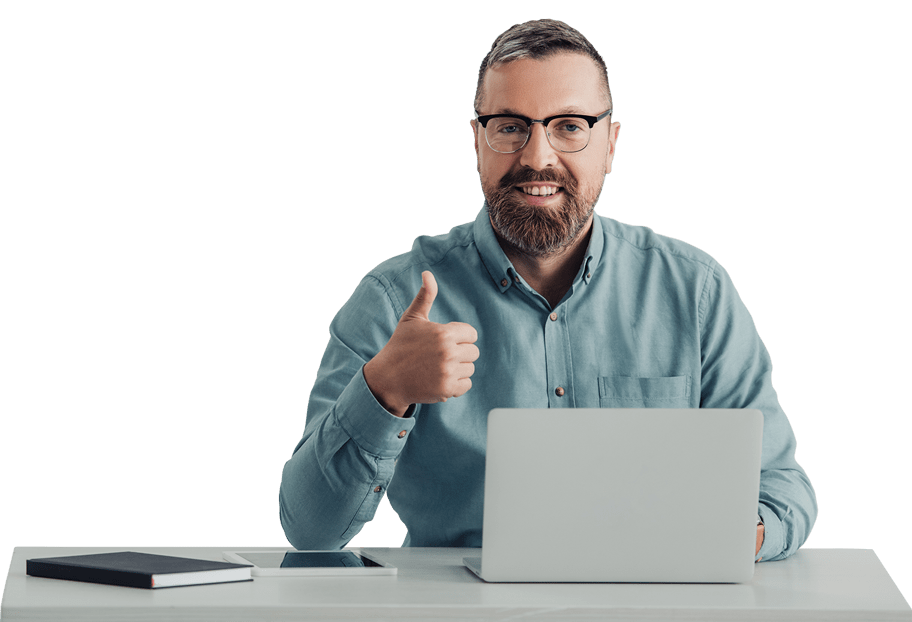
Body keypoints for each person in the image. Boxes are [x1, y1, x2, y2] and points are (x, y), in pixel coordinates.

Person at [279, 18, 817, 562]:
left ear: (609, 143)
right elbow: (309, 529)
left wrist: (725, 540)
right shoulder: (395, 300)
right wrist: (384, 390)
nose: (538, 157)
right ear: (477, 141)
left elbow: (781, 488)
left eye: (569, 126)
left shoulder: (695, 292)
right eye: (511, 126)